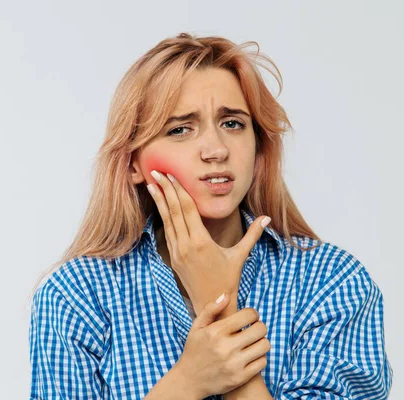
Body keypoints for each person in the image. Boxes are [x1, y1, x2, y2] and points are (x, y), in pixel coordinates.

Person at [28, 33, 393, 399]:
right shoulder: (76, 295)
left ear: (258, 147)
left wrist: (218, 306)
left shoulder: (332, 283)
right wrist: (188, 382)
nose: (216, 150)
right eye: (180, 129)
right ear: (132, 163)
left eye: (232, 123)